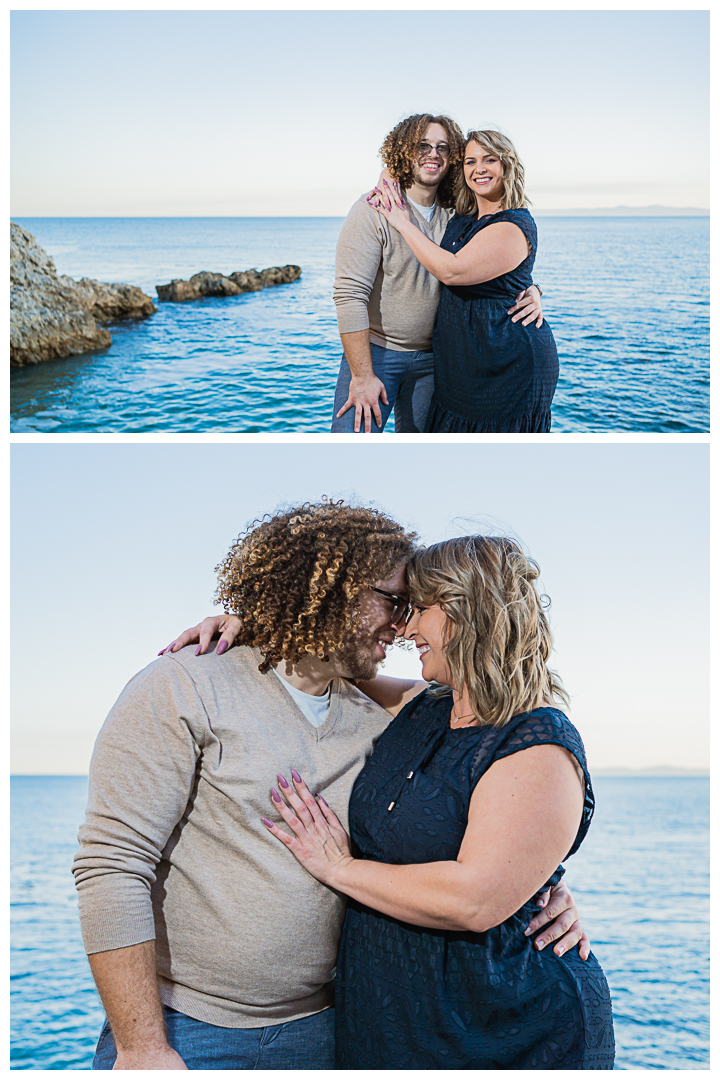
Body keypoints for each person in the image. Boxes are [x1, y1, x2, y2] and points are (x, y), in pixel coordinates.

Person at [79, 501, 593, 1070]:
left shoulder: (403, 713)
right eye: (395, 602)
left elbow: (496, 833)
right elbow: (111, 864)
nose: (403, 626)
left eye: (416, 607)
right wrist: (141, 1048)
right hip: (199, 1033)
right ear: (328, 591)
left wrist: (534, 888)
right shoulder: (189, 685)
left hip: (351, 1026)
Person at [259, 535, 615, 1068]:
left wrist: (337, 867)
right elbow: (328, 661)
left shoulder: (537, 741)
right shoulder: (422, 706)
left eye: (420, 610)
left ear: (469, 610)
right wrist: (255, 627)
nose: (405, 629)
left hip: (506, 1032)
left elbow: (473, 900)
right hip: (395, 1022)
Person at [332, 114, 543, 433]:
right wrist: (362, 376)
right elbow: (349, 295)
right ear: (404, 150)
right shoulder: (374, 208)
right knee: (350, 453)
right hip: (378, 355)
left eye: (443, 147)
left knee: (423, 461)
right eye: (422, 145)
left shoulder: (457, 212)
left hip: (438, 361)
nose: (433, 153)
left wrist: (534, 289)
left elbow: (494, 259)